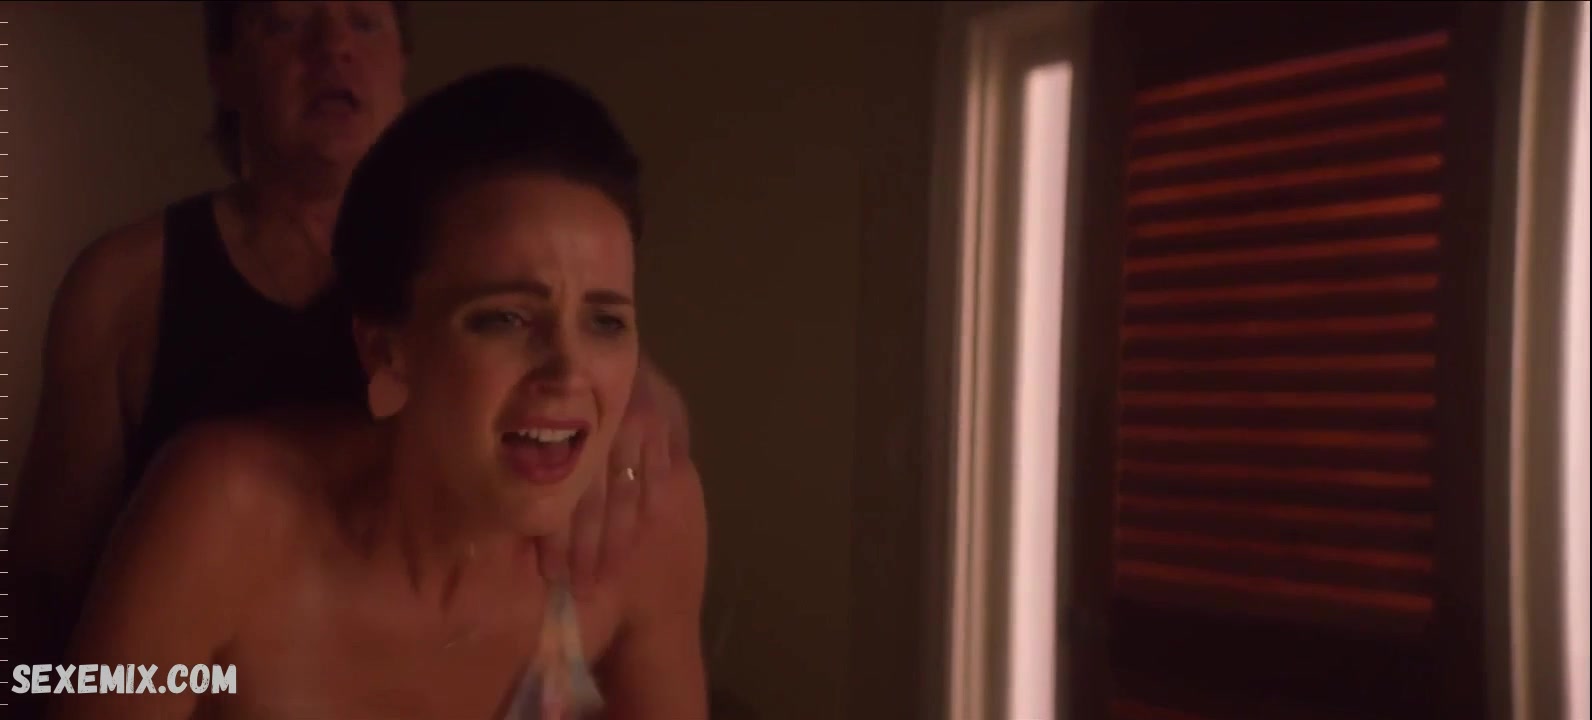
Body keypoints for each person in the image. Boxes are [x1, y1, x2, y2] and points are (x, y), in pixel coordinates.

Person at [10, 0, 691, 700]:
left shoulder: (510, 269)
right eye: (285, 21)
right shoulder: (129, 291)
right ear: (223, 66)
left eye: (364, 21)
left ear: (403, 64)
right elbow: (44, 587)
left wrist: (624, 403)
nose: (333, 48)